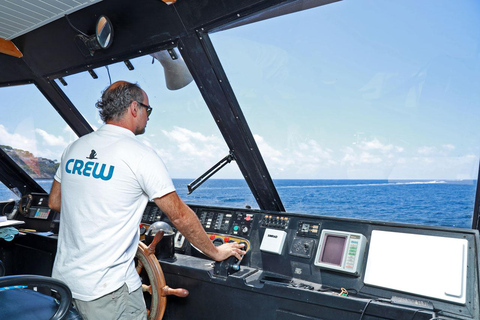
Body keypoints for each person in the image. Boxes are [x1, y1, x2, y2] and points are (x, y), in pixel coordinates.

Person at [48, 81, 245, 320]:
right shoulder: (140, 155)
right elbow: (179, 215)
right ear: (134, 108)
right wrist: (215, 252)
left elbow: (55, 203)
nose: (148, 117)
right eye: (147, 110)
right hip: (108, 292)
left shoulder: (74, 148)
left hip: (62, 281)